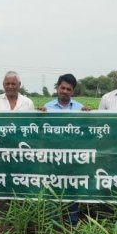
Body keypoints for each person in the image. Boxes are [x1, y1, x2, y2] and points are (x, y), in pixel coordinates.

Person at [40, 73, 84, 224]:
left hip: (73, 157)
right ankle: (52, 222)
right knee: (51, 189)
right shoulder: (46, 108)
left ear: (73, 91)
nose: (65, 91)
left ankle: (71, 222)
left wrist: (88, 117)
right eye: (62, 88)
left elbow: (87, 131)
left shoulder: (80, 109)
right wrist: (37, 116)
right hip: (52, 156)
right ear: (57, 88)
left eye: (68, 89)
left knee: (72, 188)